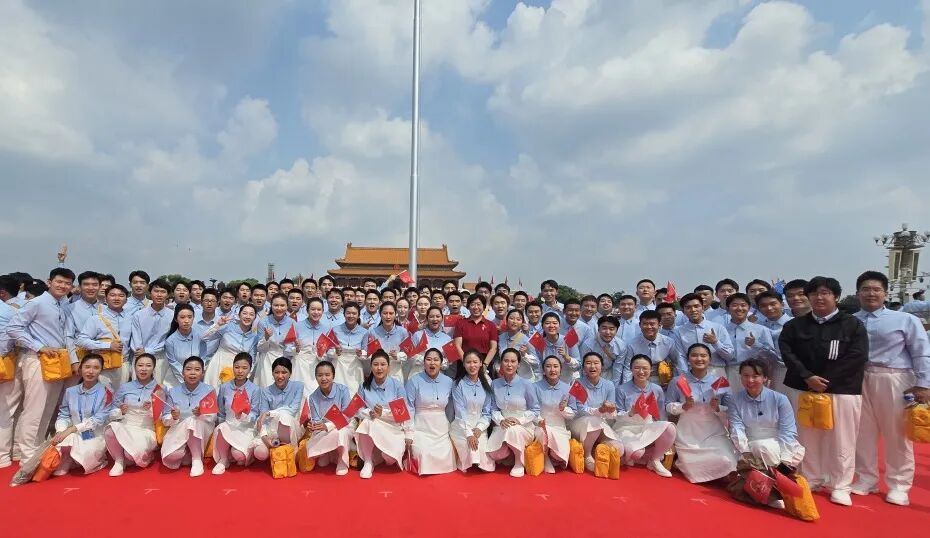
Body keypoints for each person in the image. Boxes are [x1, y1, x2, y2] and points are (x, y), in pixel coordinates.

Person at [779, 276, 868, 506]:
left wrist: (827, 381)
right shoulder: (794, 326)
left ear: (836, 297)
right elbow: (787, 353)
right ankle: (811, 477)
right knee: (806, 436)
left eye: (825, 293)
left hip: (842, 390)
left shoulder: (852, 325)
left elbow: (857, 356)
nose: (819, 297)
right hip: (803, 388)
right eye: (814, 293)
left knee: (842, 438)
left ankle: (840, 485)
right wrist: (807, 376)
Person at [852, 271, 930, 507]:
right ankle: (866, 478)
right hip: (858, 378)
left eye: (876, 289)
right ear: (857, 293)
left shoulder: (905, 319)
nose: (871, 293)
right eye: (866, 289)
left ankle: (899, 485)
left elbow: (921, 352)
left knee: (897, 433)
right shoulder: (850, 321)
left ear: (885, 293)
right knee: (862, 432)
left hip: (895, 378)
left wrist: (924, 384)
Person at [7, 267, 76, 461]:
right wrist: (39, 346)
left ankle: (36, 449)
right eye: (59, 282)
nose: (63, 286)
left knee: (48, 408)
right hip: (37, 359)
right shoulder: (36, 303)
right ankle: (27, 454)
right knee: (34, 409)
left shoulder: (63, 305)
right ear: (49, 282)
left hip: (57, 360)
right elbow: (14, 327)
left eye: (67, 283)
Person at [665, 343, 738, 483]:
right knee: (694, 467)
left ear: (710, 359)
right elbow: (667, 405)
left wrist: (717, 408)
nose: (699, 359)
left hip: (714, 431)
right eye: (694, 355)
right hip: (687, 432)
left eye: (703, 355)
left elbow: (731, 409)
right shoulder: (678, 381)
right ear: (688, 359)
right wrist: (683, 406)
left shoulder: (720, 381)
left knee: (727, 461)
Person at [727, 359, 804, 471]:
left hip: (778, 443)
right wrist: (745, 451)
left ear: (765, 378)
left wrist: (785, 459)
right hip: (748, 444)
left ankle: (778, 475)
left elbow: (788, 430)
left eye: (755, 376)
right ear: (740, 377)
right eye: (746, 376)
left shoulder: (780, 399)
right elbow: (736, 427)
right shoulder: (734, 400)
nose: (750, 380)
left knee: (762, 448)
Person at [49, 353, 112, 476]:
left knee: (85, 455)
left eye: (96, 368)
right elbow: (64, 415)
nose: (91, 371)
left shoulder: (107, 392)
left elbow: (98, 419)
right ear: (80, 369)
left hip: (95, 433)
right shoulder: (70, 391)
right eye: (87, 367)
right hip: (74, 433)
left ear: (101, 370)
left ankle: (97, 459)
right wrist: (60, 431)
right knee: (61, 441)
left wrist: (71, 429)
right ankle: (67, 459)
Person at [613, 355, 676, 477]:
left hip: (647, 426)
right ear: (631, 369)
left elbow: (661, 414)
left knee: (670, 428)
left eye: (645, 368)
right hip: (626, 428)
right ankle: (636, 456)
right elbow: (617, 415)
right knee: (636, 453)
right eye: (637, 368)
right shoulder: (621, 389)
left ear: (651, 370)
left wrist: (666, 437)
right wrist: (631, 413)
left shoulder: (657, 389)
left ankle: (655, 460)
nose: (641, 372)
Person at [354, 350, 412, 478]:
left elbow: (403, 413)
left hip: (393, 428)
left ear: (389, 367)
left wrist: (383, 413)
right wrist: (369, 412)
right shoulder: (363, 386)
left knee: (389, 459)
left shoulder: (397, 385)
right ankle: (368, 461)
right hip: (373, 423)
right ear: (371, 367)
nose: (379, 368)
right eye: (375, 364)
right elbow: (357, 409)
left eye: (383, 364)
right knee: (367, 422)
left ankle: (381, 455)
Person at [160, 356, 217, 477]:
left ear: (202, 373)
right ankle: (188, 452)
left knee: (193, 421)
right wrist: (173, 417)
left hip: (202, 428)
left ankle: (196, 459)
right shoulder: (173, 391)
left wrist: (202, 414)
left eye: (197, 369)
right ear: (182, 372)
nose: (192, 373)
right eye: (189, 369)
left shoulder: (209, 390)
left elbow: (213, 417)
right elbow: (165, 418)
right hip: (179, 428)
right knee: (171, 457)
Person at [487, 348, 540, 477]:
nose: (509, 365)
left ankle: (519, 462)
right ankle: (509, 452)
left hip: (524, 426)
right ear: (501, 363)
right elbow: (493, 408)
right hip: (502, 425)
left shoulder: (527, 384)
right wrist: (501, 420)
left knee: (513, 430)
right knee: (492, 455)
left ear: (519, 364)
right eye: (506, 361)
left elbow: (535, 409)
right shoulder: (495, 384)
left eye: (513, 361)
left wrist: (520, 420)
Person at [105, 353, 159, 476]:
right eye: (140, 365)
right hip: (126, 425)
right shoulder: (125, 387)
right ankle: (119, 461)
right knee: (110, 429)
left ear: (154, 368)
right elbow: (112, 412)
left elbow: (164, 417)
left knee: (130, 456)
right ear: (134, 367)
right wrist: (121, 412)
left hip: (146, 429)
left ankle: (146, 455)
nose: (143, 369)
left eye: (148, 365)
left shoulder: (160, 389)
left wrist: (151, 409)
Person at [405, 348, 456, 475]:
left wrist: (451, 427)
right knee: (424, 454)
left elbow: (451, 408)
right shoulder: (413, 381)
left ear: (441, 363)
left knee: (447, 453)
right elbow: (409, 407)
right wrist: (409, 432)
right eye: (428, 359)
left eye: (436, 360)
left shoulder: (449, 382)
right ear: (424, 362)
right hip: (420, 427)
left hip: (441, 428)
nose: (432, 363)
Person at [570, 352, 622, 471]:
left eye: (596, 363)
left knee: (618, 449)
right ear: (583, 367)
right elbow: (580, 410)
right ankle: (587, 455)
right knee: (593, 422)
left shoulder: (609, 385)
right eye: (588, 363)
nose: (592, 366)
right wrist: (600, 410)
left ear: (602, 366)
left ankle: (596, 449)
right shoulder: (577, 383)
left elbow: (611, 413)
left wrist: (610, 410)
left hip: (601, 423)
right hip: (580, 423)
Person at [211, 353, 262, 475]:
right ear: (233, 367)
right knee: (221, 428)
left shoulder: (255, 389)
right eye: (237, 367)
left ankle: (243, 454)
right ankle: (223, 459)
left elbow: (255, 413)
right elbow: (221, 411)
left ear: (250, 369)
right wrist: (219, 425)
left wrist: (244, 417)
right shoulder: (224, 387)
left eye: (244, 368)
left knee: (239, 456)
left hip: (246, 428)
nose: (240, 371)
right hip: (228, 425)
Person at [252, 357, 305, 470]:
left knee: (285, 417)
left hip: (290, 428)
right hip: (272, 429)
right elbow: (262, 418)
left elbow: (292, 409)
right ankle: (276, 452)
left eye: (284, 372)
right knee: (260, 453)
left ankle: (290, 452)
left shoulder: (298, 386)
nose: (280, 376)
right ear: (272, 373)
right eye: (276, 372)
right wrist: (266, 439)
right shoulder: (266, 391)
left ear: (290, 373)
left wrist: (269, 413)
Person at [76, 283, 132, 390]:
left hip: (124, 364)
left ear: (126, 300)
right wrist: (108, 345)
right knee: (103, 396)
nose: (116, 298)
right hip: (103, 366)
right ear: (105, 298)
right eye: (112, 295)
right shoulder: (96, 319)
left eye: (121, 295)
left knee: (120, 397)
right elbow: (81, 341)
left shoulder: (131, 318)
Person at [303, 361, 353, 476]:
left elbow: (347, 415)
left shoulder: (343, 390)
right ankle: (328, 452)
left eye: (327, 375)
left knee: (340, 432)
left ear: (333, 376)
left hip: (343, 426)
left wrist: (328, 426)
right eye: (320, 375)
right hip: (323, 430)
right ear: (315, 377)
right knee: (320, 461)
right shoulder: (313, 397)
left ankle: (342, 460)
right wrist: (312, 425)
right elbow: (316, 419)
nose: (324, 378)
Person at [450, 350, 495, 472]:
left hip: (480, 426)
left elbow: (487, 411)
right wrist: (469, 434)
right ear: (464, 364)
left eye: (475, 362)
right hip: (461, 426)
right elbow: (459, 411)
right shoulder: (458, 384)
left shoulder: (488, 382)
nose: (472, 365)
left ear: (481, 363)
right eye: (468, 362)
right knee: (472, 453)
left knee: (486, 465)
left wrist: (480, 428)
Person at [673, 293, 734, 382]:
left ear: (702, 308)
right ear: (683, 311)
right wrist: (686, 377)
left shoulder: (718, 327)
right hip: (691, 374)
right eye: (688, 307)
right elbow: (680, 356)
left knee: (720, 392)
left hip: (716, 372)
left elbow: (730, 355)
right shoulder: (679, 331)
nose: (693, 310)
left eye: (696, 306)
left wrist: (715, 342)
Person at [723, 293, 777, 388]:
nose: (739, 308)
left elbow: (772, 357)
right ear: (727, 309)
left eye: (743, 305)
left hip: (754, 374)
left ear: (748, 308)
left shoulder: (761, 330)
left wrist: (756, 345)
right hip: (728, 373)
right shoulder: (721, 330)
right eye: (734, 305)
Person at [533, 356, 575, 473]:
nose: (552, 370)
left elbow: (573, 413)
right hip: (541, 426)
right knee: (543, 433)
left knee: (560, 457)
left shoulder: (567, 388)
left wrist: (563, 409)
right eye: (548, 366)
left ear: (561, 369)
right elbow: (532, 409)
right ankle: (545, 458)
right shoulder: (535, 387)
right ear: (543, 370)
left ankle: (552, 455)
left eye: (555, 366)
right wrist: (539, 421)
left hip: (559, 428)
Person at [202, 304, 259, 389]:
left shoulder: (254, 337)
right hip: (219, 364)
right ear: (239, 315)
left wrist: (245, 375)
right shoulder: (228, 327)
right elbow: (205, 337)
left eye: (251, 314)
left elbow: (252, 360)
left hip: (238, 370)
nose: (247, 316)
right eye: (244, 313)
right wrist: (218, 325)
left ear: (254, 318)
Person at [130, 279, 172, 384]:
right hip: (140, 357)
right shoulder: (139, 315)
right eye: (156, 291)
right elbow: (135, 338)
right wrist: (141, 352)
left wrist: (148, 350)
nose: (159, 295)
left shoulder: (173, 316)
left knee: (159, 389)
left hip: (161, 359)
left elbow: (169, 341)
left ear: (168, 295)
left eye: (163, 292)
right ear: (150, 292)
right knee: (138, 388)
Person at [291, 297, 332, 397]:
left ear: (323, 311)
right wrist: (296, 349)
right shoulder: (296, 326)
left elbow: (329, 350)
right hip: (300, 366)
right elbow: (287, 348)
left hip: (318, 365)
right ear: (307, 310)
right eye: (313, 309)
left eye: (319, 310)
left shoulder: (327, 328)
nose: (316, 312)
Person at [254, 294, 297, 388]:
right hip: (267, 361)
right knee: (267, 387)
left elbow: (293, 350)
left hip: (286, 360)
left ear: (287, 306)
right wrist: (266, 337)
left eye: (282, 305)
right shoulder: (263, 322)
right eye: (276, 305)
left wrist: (296, 349)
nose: (279, 308)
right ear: (271, 305)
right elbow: (260, 349)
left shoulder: (292, 323)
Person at [755, 290, 793, 392]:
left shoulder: (794, 324)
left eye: (773, 304)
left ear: (782, 304)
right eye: (763, 305)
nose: (769, 308)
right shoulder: (757, 327)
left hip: (790, 370)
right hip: (765, 372)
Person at [453, 295, 499, 377]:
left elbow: (493, 348)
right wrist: (467, 363)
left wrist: (484, 365)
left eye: (479, 304)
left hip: (485, 363)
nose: (476, 307)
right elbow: (457, 345)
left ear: (484, 307)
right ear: (468, 307)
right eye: (472, 304)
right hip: (464, 363)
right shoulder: (461, 323)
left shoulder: (491, 325)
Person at [163, 304, 206, 390]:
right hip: (176, 379)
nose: (186, 321)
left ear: (193, 318)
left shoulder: (200, 336)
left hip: (197, 378)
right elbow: (173, 363)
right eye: (182, 317)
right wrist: (187, 377)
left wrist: (197, 374)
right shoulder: (170, 341)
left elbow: (203, 357)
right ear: (176, 319)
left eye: (190, 317)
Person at [368, 302, 410, 383]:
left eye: (391, 313)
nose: (388, 316)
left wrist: (397, 355)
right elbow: (371, 354)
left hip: (396, 371)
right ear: (380, 314)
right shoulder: (373, 332)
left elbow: (407, 353)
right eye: (385, 313)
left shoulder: (403, 332)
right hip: (379, 371)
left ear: (395, 314)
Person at [579, 315, 628, 383]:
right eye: (604, 328)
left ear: (616, 330)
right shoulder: (588, 344)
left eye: (611, 329)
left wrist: (614, 387)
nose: (607, 332)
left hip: (610, 374)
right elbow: (584, 368)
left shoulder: (621, 346)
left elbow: (617, 369)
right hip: (591, 374)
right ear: (598, 329)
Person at [498, 308, 539, 381]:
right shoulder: (500, 338)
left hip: (522, 378)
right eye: (511, 318)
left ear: (522, 322)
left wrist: (525, 355)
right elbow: (497, 359)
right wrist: (497, 368)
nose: (514, 321)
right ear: (506, 321)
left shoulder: (526, 340)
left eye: (518, 319)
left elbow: (537, 362)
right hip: (503, 378)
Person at [539, 312, 580, 383]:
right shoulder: (539, 342)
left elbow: (578, 366)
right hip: (546, 383)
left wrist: (567, 358)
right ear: (542, 326)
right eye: (547, 323)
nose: (551, 326)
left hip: (567, 382)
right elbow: (537, 367)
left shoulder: (570, 340)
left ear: (559, 326)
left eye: (555, 323)